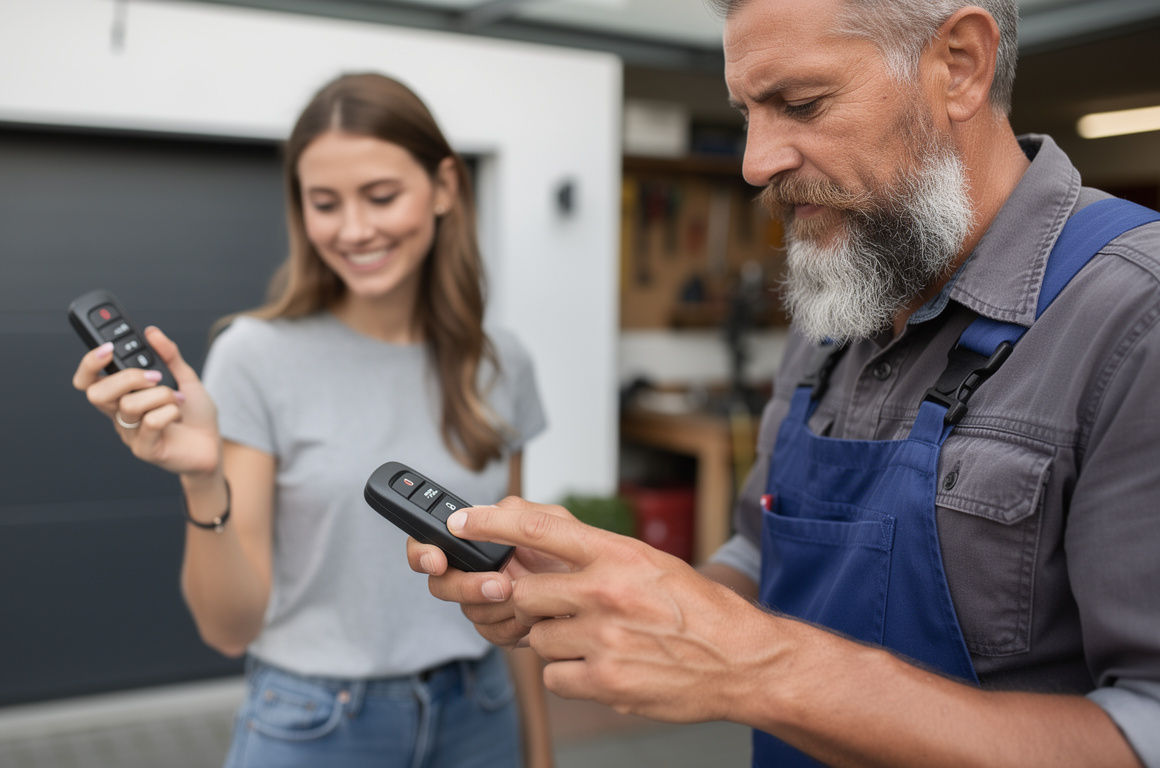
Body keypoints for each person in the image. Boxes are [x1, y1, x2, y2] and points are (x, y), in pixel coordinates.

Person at [407, 1, 1160, 766]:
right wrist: (618, 597)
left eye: (801, 105)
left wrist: (763, 668)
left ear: (960, 64)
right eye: (747, 114)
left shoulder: (1137, 319)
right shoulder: (841, 297)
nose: (755, 163)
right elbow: (762, 553)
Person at [73, 72, 553, 768]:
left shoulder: (502, 361)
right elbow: (229, 627)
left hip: (482, 714)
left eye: (380, 196)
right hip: (319, 726)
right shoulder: (255, 356)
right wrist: (203, 478)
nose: (354, 229)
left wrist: (539, 754)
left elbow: (516, 586)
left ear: (445, 186)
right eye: (325, 203)